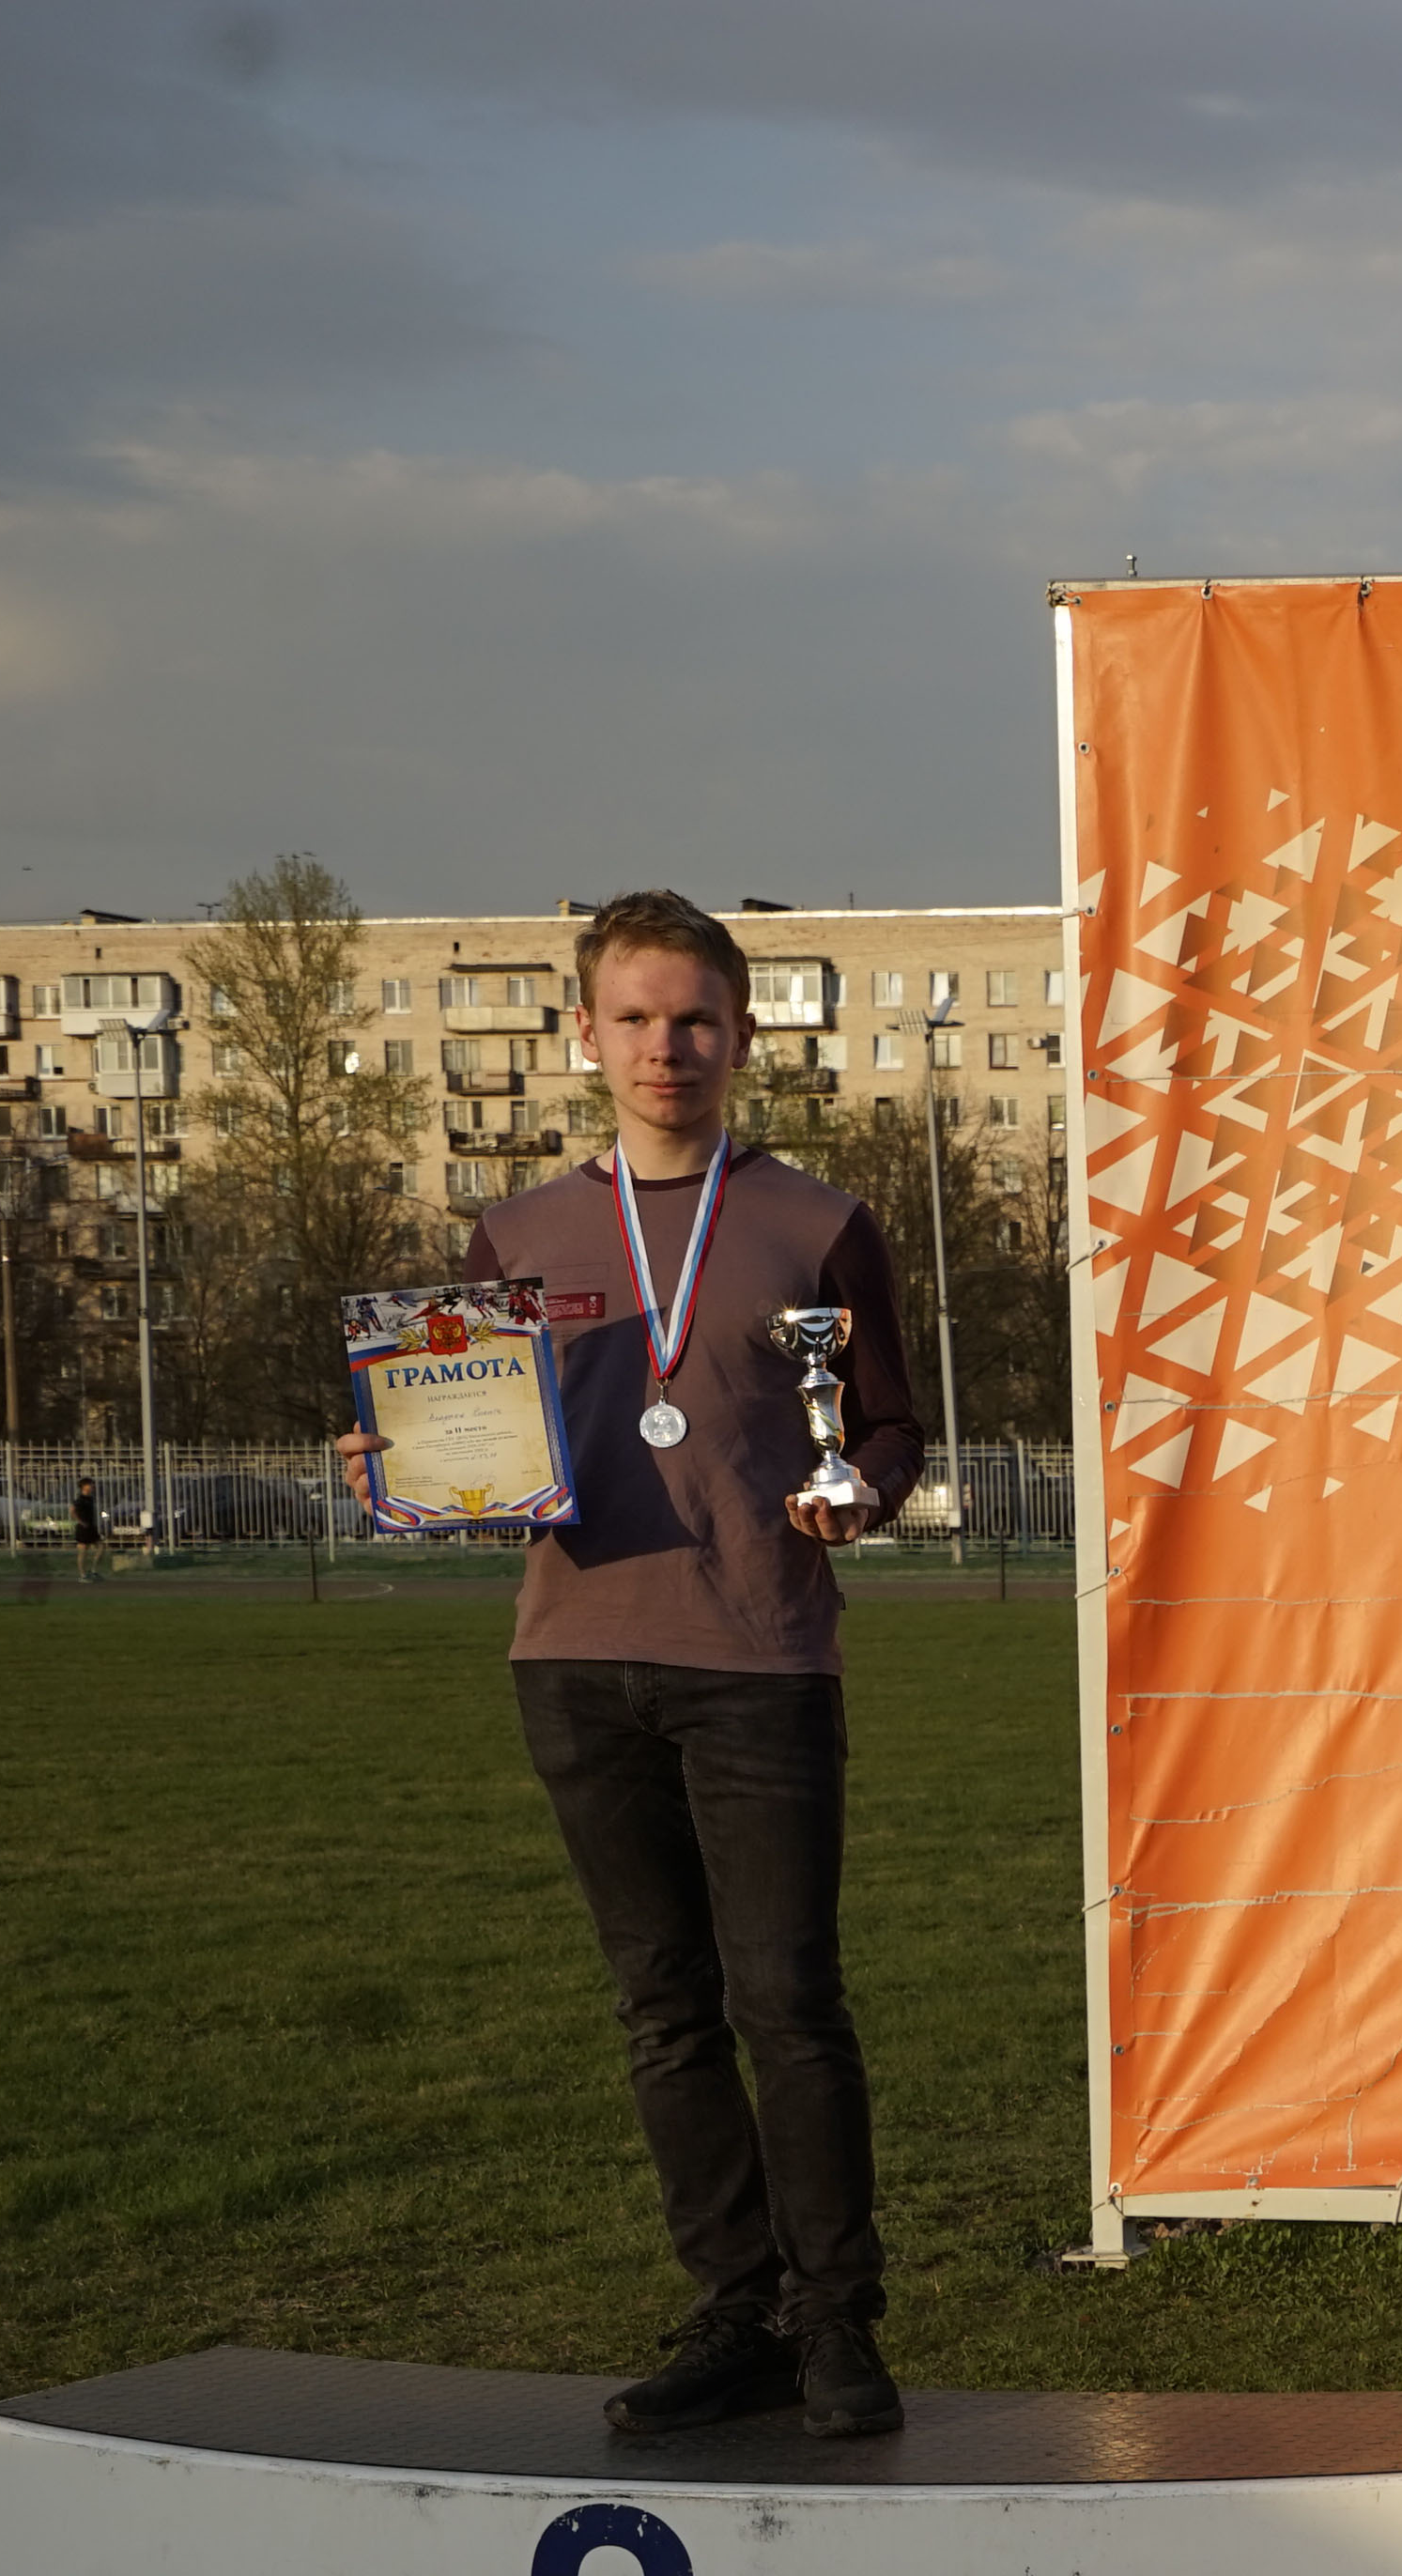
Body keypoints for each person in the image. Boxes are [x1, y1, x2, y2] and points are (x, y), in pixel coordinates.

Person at [345, 891, 928, 2436]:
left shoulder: (818, 1223)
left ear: (740, 1036)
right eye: (637, 1019)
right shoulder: (517, 1237)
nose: (667, 1047)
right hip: (574, 1660)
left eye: (695, 1020)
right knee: (662, 2012)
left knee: (788, 2002)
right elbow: (486, 1437)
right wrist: (406, 1466)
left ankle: (836, 2324)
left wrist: (862, 1493)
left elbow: (888, 1422)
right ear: (586, 1035)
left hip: (761, 1660)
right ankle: (736, 2313)